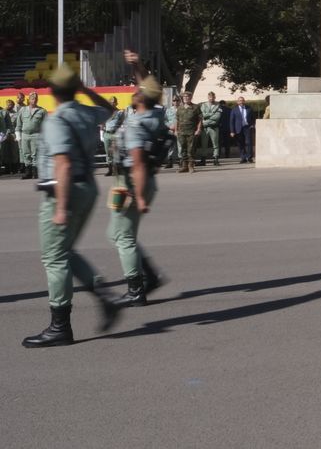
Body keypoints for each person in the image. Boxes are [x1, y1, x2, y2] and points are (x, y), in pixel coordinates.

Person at [22, 66, 123, 348]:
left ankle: (60, 327)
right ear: (75, 90)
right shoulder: (86, 112)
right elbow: (110, 110)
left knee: (54, 258)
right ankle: (105, 296)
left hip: (63, 191)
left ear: (52, 91)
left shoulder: (57, 119)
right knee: (65, 251)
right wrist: (87, 90)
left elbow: (63, 164)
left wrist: (60, 208)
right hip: (87, 187)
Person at [105, 51, 168, 308]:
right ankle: (149, 275)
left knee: (123, 237)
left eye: (137, 89)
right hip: (136, 181)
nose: (134, 89)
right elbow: (149, 87)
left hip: (133, 183)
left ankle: (136, 289)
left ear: (142, 97)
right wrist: (138, 64)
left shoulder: (136, 125)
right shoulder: (154, 113)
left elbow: (138, 164)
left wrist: (139, 196)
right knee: (116, 233)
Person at [17, 91, 47, 179]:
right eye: (33, 99)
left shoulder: (42, 111)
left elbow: (46, 125)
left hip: (36, 135)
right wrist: (18, 135)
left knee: (35, 153)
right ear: (29, 100)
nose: (34, 100)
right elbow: (19, 123)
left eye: (36, 99)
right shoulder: (23, 110)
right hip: (25, 134)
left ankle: (35, 172)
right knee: (26, 153)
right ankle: (28, 172)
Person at [174, 94, 200, 173]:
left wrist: (198, 129)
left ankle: (191, 166)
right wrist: (176, 130)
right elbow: (177, 120)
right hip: (181, 132)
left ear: (191, 98)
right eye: (184, 97)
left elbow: (199, 119)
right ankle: (184, 166)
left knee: (191, 149)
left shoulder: (195, 107)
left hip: (191, 131)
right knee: (183, 149)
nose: (185, 98)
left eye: (187, 97)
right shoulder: (180, 108)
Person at [198, 92, 224, 166]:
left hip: (214, 127)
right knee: (204, 144)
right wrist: (212, 114)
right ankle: (203, 160)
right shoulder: (203, 105)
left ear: (214, 97)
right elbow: (202, 115)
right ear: (208, 97)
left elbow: (217, 117)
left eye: (212, 97)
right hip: (205, 128)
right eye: (210, 97)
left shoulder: (218, 105)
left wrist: (207, 119)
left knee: (215, 144)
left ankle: (216, 159)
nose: (211, 99)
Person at [228, 97, 255, 164]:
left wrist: (252, 124)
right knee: (240, 143)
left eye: (242, 100)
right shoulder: (234, 110)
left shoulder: (249, 108)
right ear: (237, 102)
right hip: (238, 129)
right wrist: (232, 131)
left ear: (244, 101)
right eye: (240, 101)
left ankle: (249, 158)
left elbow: (253, 117)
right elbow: (231, 121)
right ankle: (243, 158)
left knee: (249, 143)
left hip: (247, 128)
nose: (241, 102)